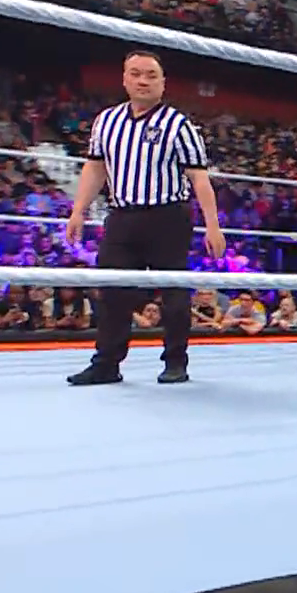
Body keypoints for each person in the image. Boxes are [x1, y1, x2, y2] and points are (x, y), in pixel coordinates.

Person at [65, 50, 226, 387]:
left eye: (151, 75)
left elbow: (199, 178)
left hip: (168, 217)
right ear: (124, 79)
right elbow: (95, 167)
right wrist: (78, 211)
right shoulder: (106, 121)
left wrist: (213, 226)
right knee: (112, 291)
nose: (143, 81)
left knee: (174, 292)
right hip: (121, 216)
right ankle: (106, 363)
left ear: (163, 83)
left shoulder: (178, 125)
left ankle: (175, 361)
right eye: (136, 74)